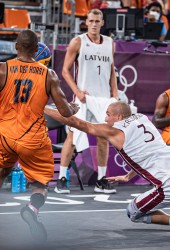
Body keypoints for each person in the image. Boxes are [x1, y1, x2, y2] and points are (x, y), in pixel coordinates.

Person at [45, 101, 170, 231]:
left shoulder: (115, 131)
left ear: (118, 117)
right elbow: (147, 150)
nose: (105, 118)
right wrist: (128, 176)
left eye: (107, 114)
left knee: (133, 212)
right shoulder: (143, 118)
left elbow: (81, 124)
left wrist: (42, 108)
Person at [0, 30, 79, 241]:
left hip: (5, 136)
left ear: (15, 46)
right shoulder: (48, 74)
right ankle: (32, 209)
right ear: (37, 50)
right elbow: (64, 112)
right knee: (39, 185)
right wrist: (73, 108)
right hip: (33, 139)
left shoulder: (2, 69)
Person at [54, 9, 118, 194]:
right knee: (72, 137)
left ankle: (101, 180)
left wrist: (115, 93)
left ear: (102, 23)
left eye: (97, 21)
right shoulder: (78, 42)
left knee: (103, 138)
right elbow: (65, 70)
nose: (94, 24)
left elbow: (112, 69)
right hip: (83, 99)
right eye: (91, 21)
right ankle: (62, 179)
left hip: (104, 99)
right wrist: (77, 92)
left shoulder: (109, 43)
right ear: (86, 22)